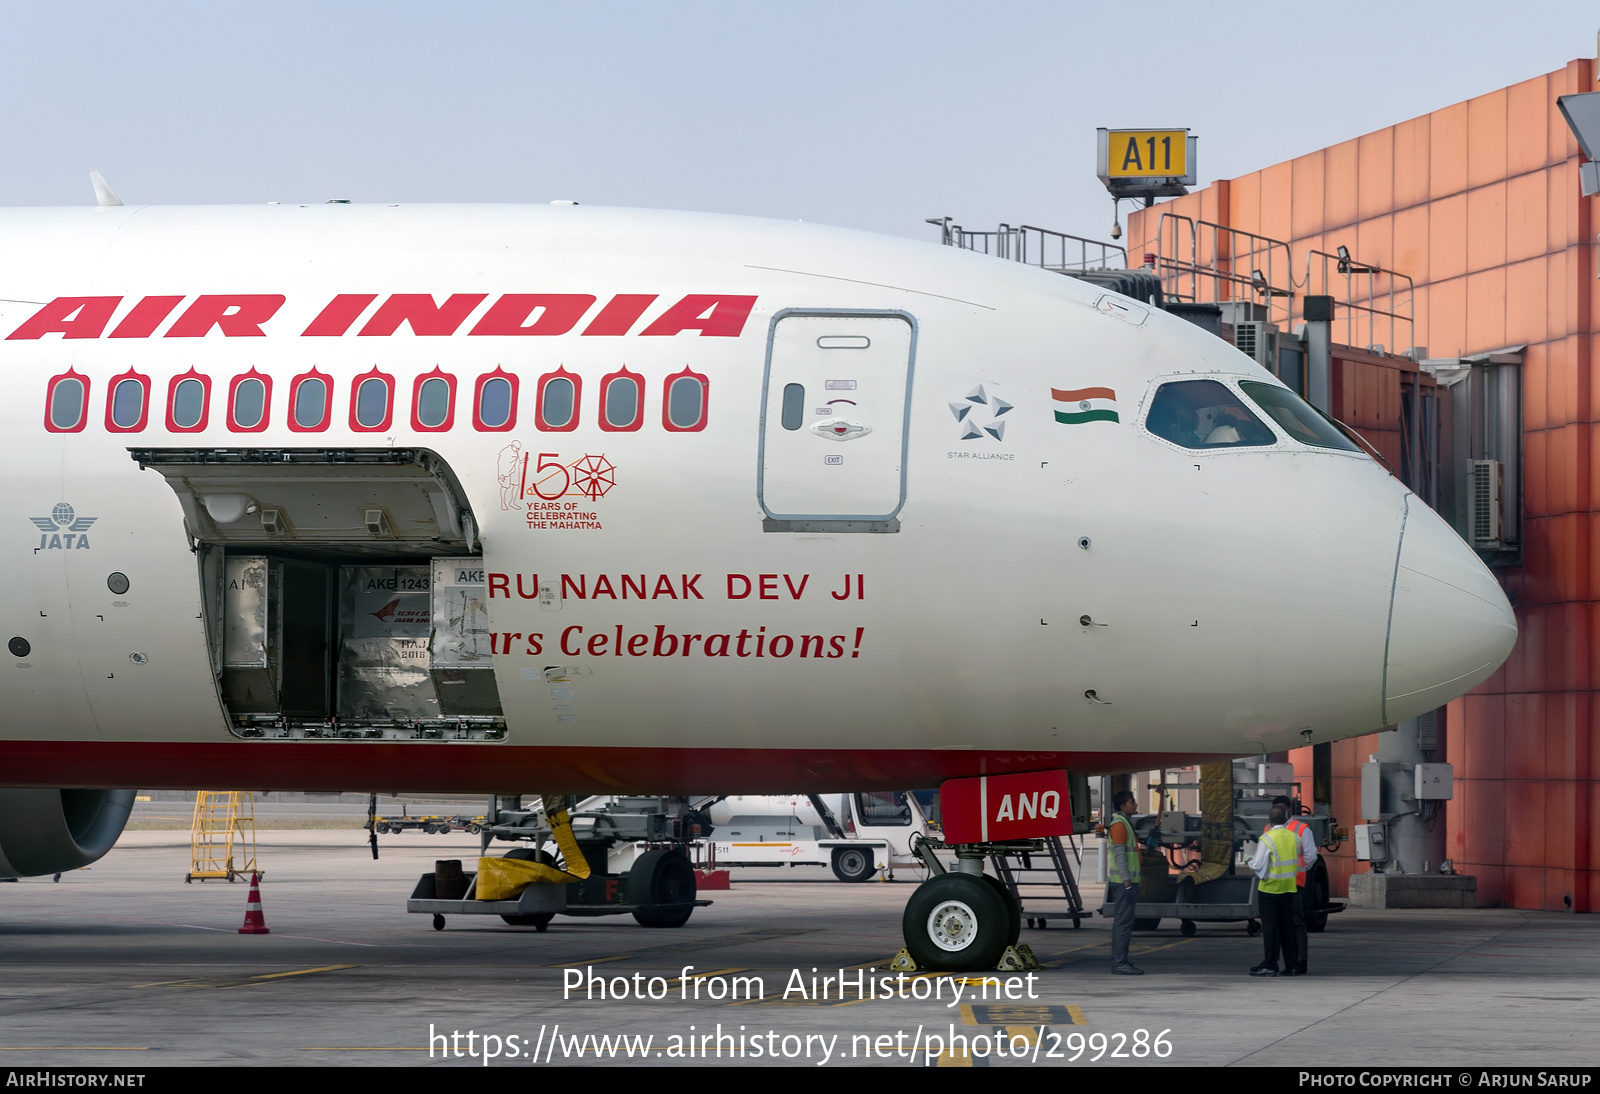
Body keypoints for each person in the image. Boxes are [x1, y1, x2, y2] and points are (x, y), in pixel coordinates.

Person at [1266, 795, 1318, 975]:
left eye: (1282, 808)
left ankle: (1300, 961)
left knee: (1296, 921)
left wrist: (1297, 870)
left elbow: (1310, 856)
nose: (1281, 812)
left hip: (1295, 882)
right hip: (1275, 884)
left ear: (1290, 809)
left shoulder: (1302, 829)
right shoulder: (1268, 827)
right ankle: (1287, 962)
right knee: (1281, 923)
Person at [1250, 803, 1302, 976]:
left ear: (1269, 820)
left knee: (1270, 928)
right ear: (1286, 819)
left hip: (1270, 889)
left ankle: (1270, 964)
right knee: (1288, 926)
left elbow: (1257, 864)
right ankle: (1292, 965)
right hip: (1289, 888)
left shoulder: (1267, 838)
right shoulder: (1295, 837)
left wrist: (1249, 861)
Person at [1106, 790, 1143, 975]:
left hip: (1125, 882)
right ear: (1123, 807)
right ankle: (1120, 963)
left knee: (1124, 922)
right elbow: (1120, 856)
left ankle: (1121, 961)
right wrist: (1127, 883)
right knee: (1123, 923)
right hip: (1122, 883)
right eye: (1132, 802)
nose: (1135, 805)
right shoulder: (1119, 825)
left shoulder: (1124, 824)